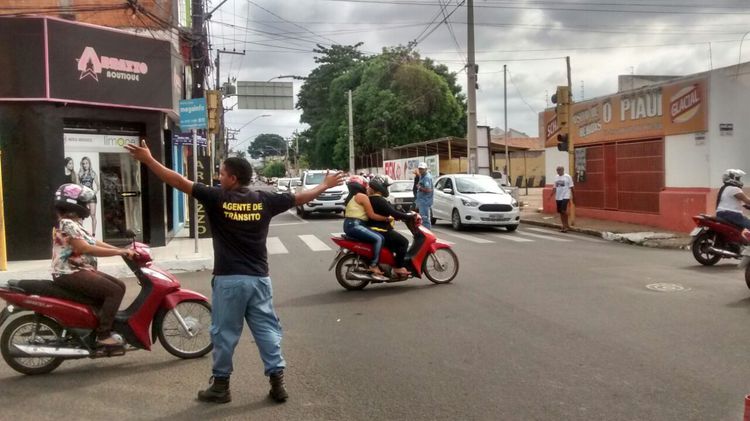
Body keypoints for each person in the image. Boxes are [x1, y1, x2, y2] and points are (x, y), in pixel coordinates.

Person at [126, 139, 344, 404]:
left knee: (224, 333)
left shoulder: (217, 197)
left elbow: (178, 181)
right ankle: (278, 384)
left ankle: (220, 387)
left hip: (229, 279)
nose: (218, 177)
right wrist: (324, 185)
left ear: (232, 177)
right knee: (267, 331)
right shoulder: (264, 200)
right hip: (259, 280)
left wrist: (149, 160)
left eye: (221, 173)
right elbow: (300, 197)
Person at [51, 183, 137, 346]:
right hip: (70, 273)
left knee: (119, 285)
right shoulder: (67, 224)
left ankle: (96, 325)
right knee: (114, 291)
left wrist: (120, 249)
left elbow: (93, 241)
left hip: (78, 270)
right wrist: (119, 252)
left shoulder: (72, 223)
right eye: (84, 202)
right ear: (73, 203)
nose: (87, 206)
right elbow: (85, 248)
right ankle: (103, 335)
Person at [367, 175, 418, 278]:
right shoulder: (378, 200)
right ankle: (398, 267)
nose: (387, 189)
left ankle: (389, 265)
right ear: (380, 187)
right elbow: (393, 213)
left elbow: (392, 211)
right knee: (404, 242)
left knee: (396, 244)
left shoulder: (373, 199)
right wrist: (410, 216)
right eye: (385, 187)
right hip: (381, 230)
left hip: (377, 229)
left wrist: (404, 214)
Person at [343, 175, 391, 280]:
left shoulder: (352, 197)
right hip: (355, 225)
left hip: (351, 225)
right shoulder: (362, 196)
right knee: (378, 238)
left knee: (380, 238)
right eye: (367, 186)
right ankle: (373, 265)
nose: (368, 187)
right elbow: (372, 215)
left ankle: (373, 262)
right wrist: (386, 219)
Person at [78, 156, 99, 236]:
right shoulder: (80, 173)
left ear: (89, 164)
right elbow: (78, 185)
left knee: (93, 215)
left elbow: (98, 186)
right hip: (83, 196)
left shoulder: (93, 173)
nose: (85, 165)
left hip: (92, 196)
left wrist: (94, 192)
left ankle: (93, 234)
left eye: (86, 163)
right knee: (81, 215)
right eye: (83, 164)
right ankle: (82, 234)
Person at [551, 165, 574, 233]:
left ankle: (566, 225)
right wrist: (550, 195)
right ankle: (564, 225)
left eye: (559, 170)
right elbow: (554, 187)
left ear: (563, 170)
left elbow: (571, 187)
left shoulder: (567, 177)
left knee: (563, 210)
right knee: (560, 212)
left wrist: (574, 196)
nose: (558, 171)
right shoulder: (556, 177)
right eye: (557, 170)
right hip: (558, 197)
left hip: (565, 196)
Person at [415, 162, 434, 229]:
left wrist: (419, 188)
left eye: (422, 169)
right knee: (422, 218)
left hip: (425, 201)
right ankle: (424, 232)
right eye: (419, 169)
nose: (420, 170)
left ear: (426, 169)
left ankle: (427, 233)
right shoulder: (422, 176)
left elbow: (429, 190)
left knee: (425, 219)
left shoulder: (427, 178)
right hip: (421, 201)